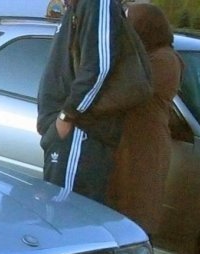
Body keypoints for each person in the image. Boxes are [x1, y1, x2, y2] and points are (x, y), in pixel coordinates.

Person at [37, 0, 129, 204]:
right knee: (54, 209)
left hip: (79, 133)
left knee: (67, 209)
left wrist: (66, 117)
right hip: (63, 133)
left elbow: (99, 67)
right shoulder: (75, 7)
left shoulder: (97, 3)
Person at [107, 3, 183, 237]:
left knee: (138, 208)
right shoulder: (147, 55)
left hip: (145, 146)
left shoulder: (164, 59)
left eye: (131, 23)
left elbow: (129, 88)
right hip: (128, 142)